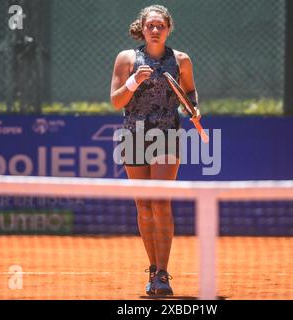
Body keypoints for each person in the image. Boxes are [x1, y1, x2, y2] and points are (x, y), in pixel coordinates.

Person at [110, 4, 200, 296]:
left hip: (167, 136)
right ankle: (152, 269)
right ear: (143, 28)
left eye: (160, 26)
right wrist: (133, 82)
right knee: (144, 205)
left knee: (160, 202)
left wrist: (194, 109)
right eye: (150, 26)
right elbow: (116, 101)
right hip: (133, 135)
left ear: (168, 28)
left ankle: (163, 273)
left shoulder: (182, 60)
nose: (155, 30)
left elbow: (190, 93)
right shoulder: (126, 59)